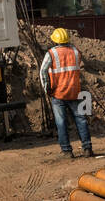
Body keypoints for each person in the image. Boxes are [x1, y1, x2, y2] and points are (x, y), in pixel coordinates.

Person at [39, 27, 94, 158]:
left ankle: (67, 151)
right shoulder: (76, 52)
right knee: (81, 120)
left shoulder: (51, 53)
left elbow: (43, 72)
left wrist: (47, 88)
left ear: (55, 40)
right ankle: (87, 148)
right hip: (75, 92)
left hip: (58, 94)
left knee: (61, 122)